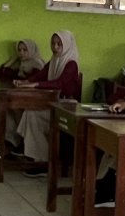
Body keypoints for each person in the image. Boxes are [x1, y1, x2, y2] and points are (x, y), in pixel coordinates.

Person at [14, 31, 81, 173]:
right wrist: (25, 82)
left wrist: (35, 85)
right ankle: (37, 156)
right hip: (53, 103)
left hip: (67, 107)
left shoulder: (71, 64)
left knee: (32, 115)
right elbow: (42, 74)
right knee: (29, 112)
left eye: (59, 44)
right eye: (53, 43)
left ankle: (42, 160)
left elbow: (60, 83)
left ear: (67, 45)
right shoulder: (54, 60)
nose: (55, 47)